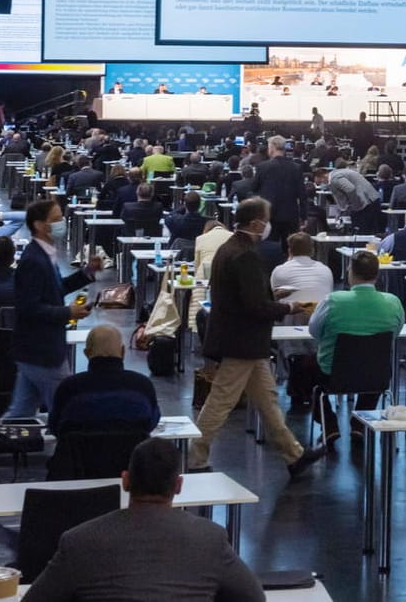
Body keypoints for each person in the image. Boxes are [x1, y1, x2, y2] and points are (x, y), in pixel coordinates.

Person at [21, 438, 264, 602]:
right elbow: (254, 597)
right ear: (178, 486)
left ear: (125, 481)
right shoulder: (210, 538)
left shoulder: (79, 541)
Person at [190, 197, 324, 479]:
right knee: (221, 400)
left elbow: (241, 297)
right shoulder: (246, 255)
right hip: (243, 340)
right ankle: (195, 455)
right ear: (255, 223)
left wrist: (273, 296)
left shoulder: (230, 248)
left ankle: (294, 455)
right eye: (266, 218)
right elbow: (254, 306)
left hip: (242, 338)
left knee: (268, 399)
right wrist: (288, 307)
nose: (269, 224)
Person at [7, 199, 105, 418]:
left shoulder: (45, 255)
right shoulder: (34, 260)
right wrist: (67, 313)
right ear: (40, 225)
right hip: (42, 350)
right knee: (66, 411)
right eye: (56, 219)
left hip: (35, 350)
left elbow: (56, 289)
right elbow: (28, 307)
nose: (62, 223)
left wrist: (86, 272)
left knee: (20, 413)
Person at [311, 249, 404, 444]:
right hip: (376, 375)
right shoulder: (393, 303)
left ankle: (329, 424)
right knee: (373, 370)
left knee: (308, 372)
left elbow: (314, 331)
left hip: (334, 374)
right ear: (377, 275)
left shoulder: (332, 301)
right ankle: (359, 423)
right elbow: (394, 334)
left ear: (350, 272)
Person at [46, 324, 160, 437]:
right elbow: (152, 422)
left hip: (78, 455)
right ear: (123, 352)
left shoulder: (69, 388)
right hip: (130, 455)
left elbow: (55, 426)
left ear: (87, 353)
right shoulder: (142, 386)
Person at [253, 136, 305, 242]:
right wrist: (304, 216)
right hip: (290, 215)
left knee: (271, 249)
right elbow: (302, 194)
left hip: (269, 215)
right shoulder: (296, 167)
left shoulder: (262, 167)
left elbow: (254, 188)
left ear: (272, 148)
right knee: (290, 248)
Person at [269, 232, 334, 309]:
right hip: (320, 316)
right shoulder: (326, 270)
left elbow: (274, 298)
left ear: (289, 251)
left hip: (290, 316)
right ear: (312, 251)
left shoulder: (279, 270)